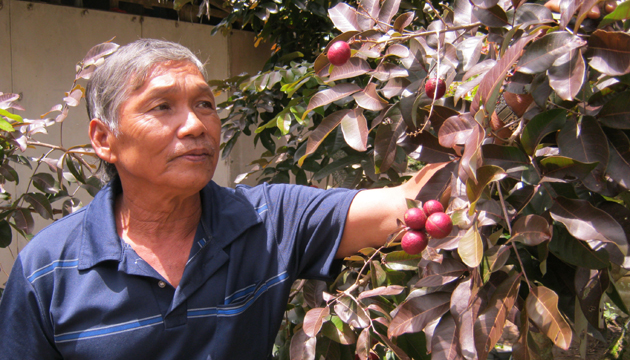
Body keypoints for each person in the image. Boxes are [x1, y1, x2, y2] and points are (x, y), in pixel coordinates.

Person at [0, 39, 429, 359]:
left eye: (204, 104)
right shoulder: (47, 270)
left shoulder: (267, 221)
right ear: (103, 139)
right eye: (162, 106)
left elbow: (407, 206)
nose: (195, 125)